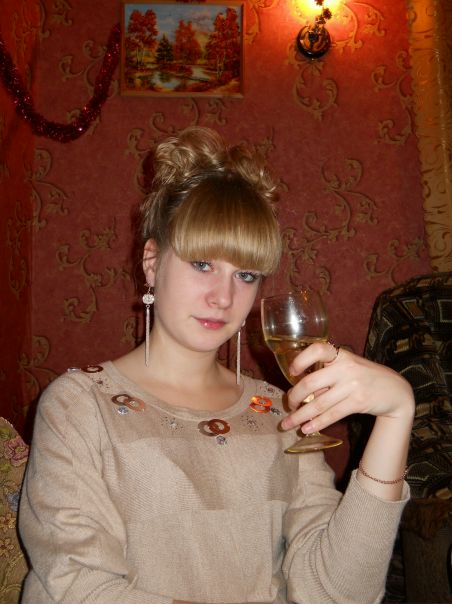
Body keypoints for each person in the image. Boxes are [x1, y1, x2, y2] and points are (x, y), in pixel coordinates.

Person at [19, 126, 414, 604]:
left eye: (245, 275)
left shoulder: (281, 411)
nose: (224, 297)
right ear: (151, 263)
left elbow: (339, 592)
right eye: (202, 264)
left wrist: (397, 414)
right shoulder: (78, 407)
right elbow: (76, 584)